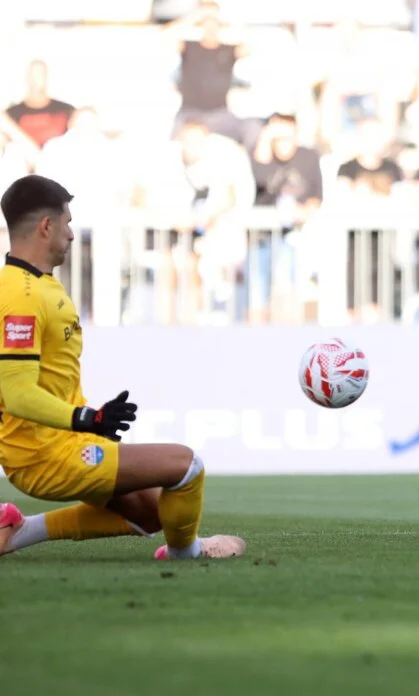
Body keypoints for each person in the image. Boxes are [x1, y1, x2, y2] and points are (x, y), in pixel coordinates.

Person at [0, 175, 245, 559]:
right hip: (44, 454)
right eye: (66, 223)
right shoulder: (20, 294)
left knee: (151, 513)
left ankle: (17, 532)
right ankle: (187, 555)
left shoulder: (39, 284)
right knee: (187, 466)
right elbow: (17, 394)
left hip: (66, 440)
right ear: (46, 226)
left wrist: (87, 422)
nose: (71, 234)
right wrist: (88, 418)